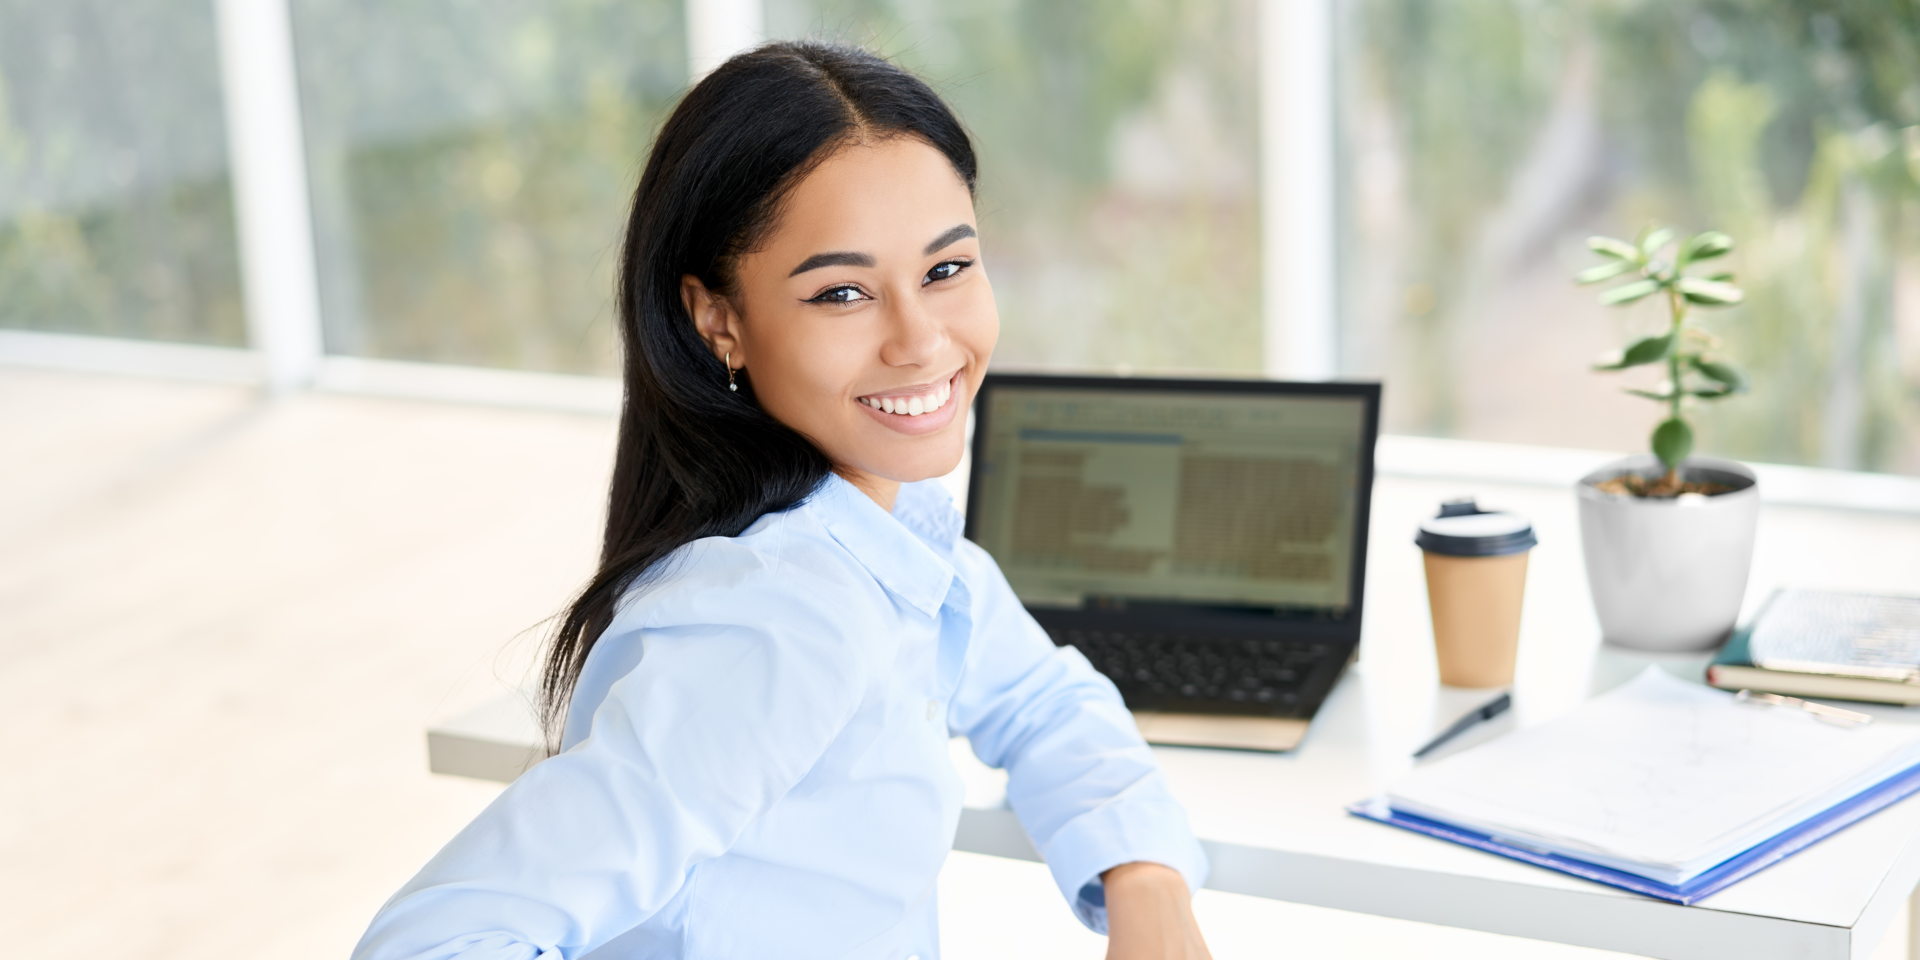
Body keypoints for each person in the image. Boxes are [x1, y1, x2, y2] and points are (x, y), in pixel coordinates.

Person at [352, 41, 1211, 960]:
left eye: (946, 269)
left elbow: (1043, 698)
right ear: (718, 319)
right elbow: (437, 941)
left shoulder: (889, 540)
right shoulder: (777, 617)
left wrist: (1145, 882)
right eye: (842, 292)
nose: (920, 341)